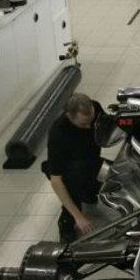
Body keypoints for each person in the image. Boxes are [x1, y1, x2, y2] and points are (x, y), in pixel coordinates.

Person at [44, 92, 106, 242]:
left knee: (107, 178)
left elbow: (108, 127)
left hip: (91, 160)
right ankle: (66, 221)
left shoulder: (95, 107)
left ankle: (88, 191)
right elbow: (56, 181)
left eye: (91, 121)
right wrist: (79, 217)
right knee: (73, 184)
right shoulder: (58, 133)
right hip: (69, 170)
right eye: (83, 124)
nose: (89, 127)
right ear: (69, 116)